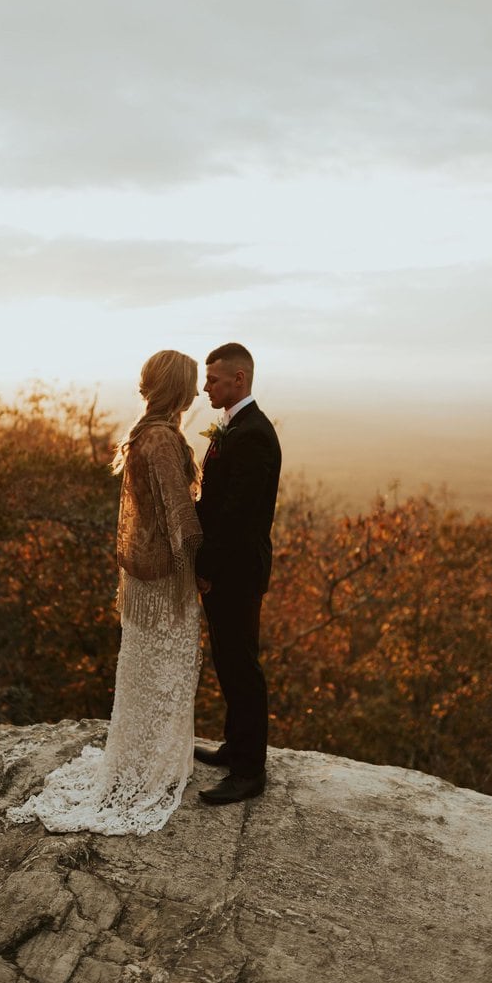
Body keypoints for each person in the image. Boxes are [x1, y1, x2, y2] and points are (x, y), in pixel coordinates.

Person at [8, 350, 203, 835]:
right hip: (164, 580)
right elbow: (181, 517)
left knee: (148, 667)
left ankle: (142, 758)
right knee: (166, 668)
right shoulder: (160, 439)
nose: (198, 393)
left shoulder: (147, 433)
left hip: (147, 576)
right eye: (193, 384)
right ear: (178, 388)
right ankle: (148, 769)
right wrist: (204, 562)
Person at [194, 343, 282, 805]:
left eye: (212, 379)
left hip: (238, 571)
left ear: (239, 380)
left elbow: (236, 517)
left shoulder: (253, 435)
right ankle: (234, 747)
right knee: (228, 661)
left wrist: (204, 567)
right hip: (229, 567)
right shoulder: (235, 426)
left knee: (242, 665)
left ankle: (250, 771)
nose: (205, 387)